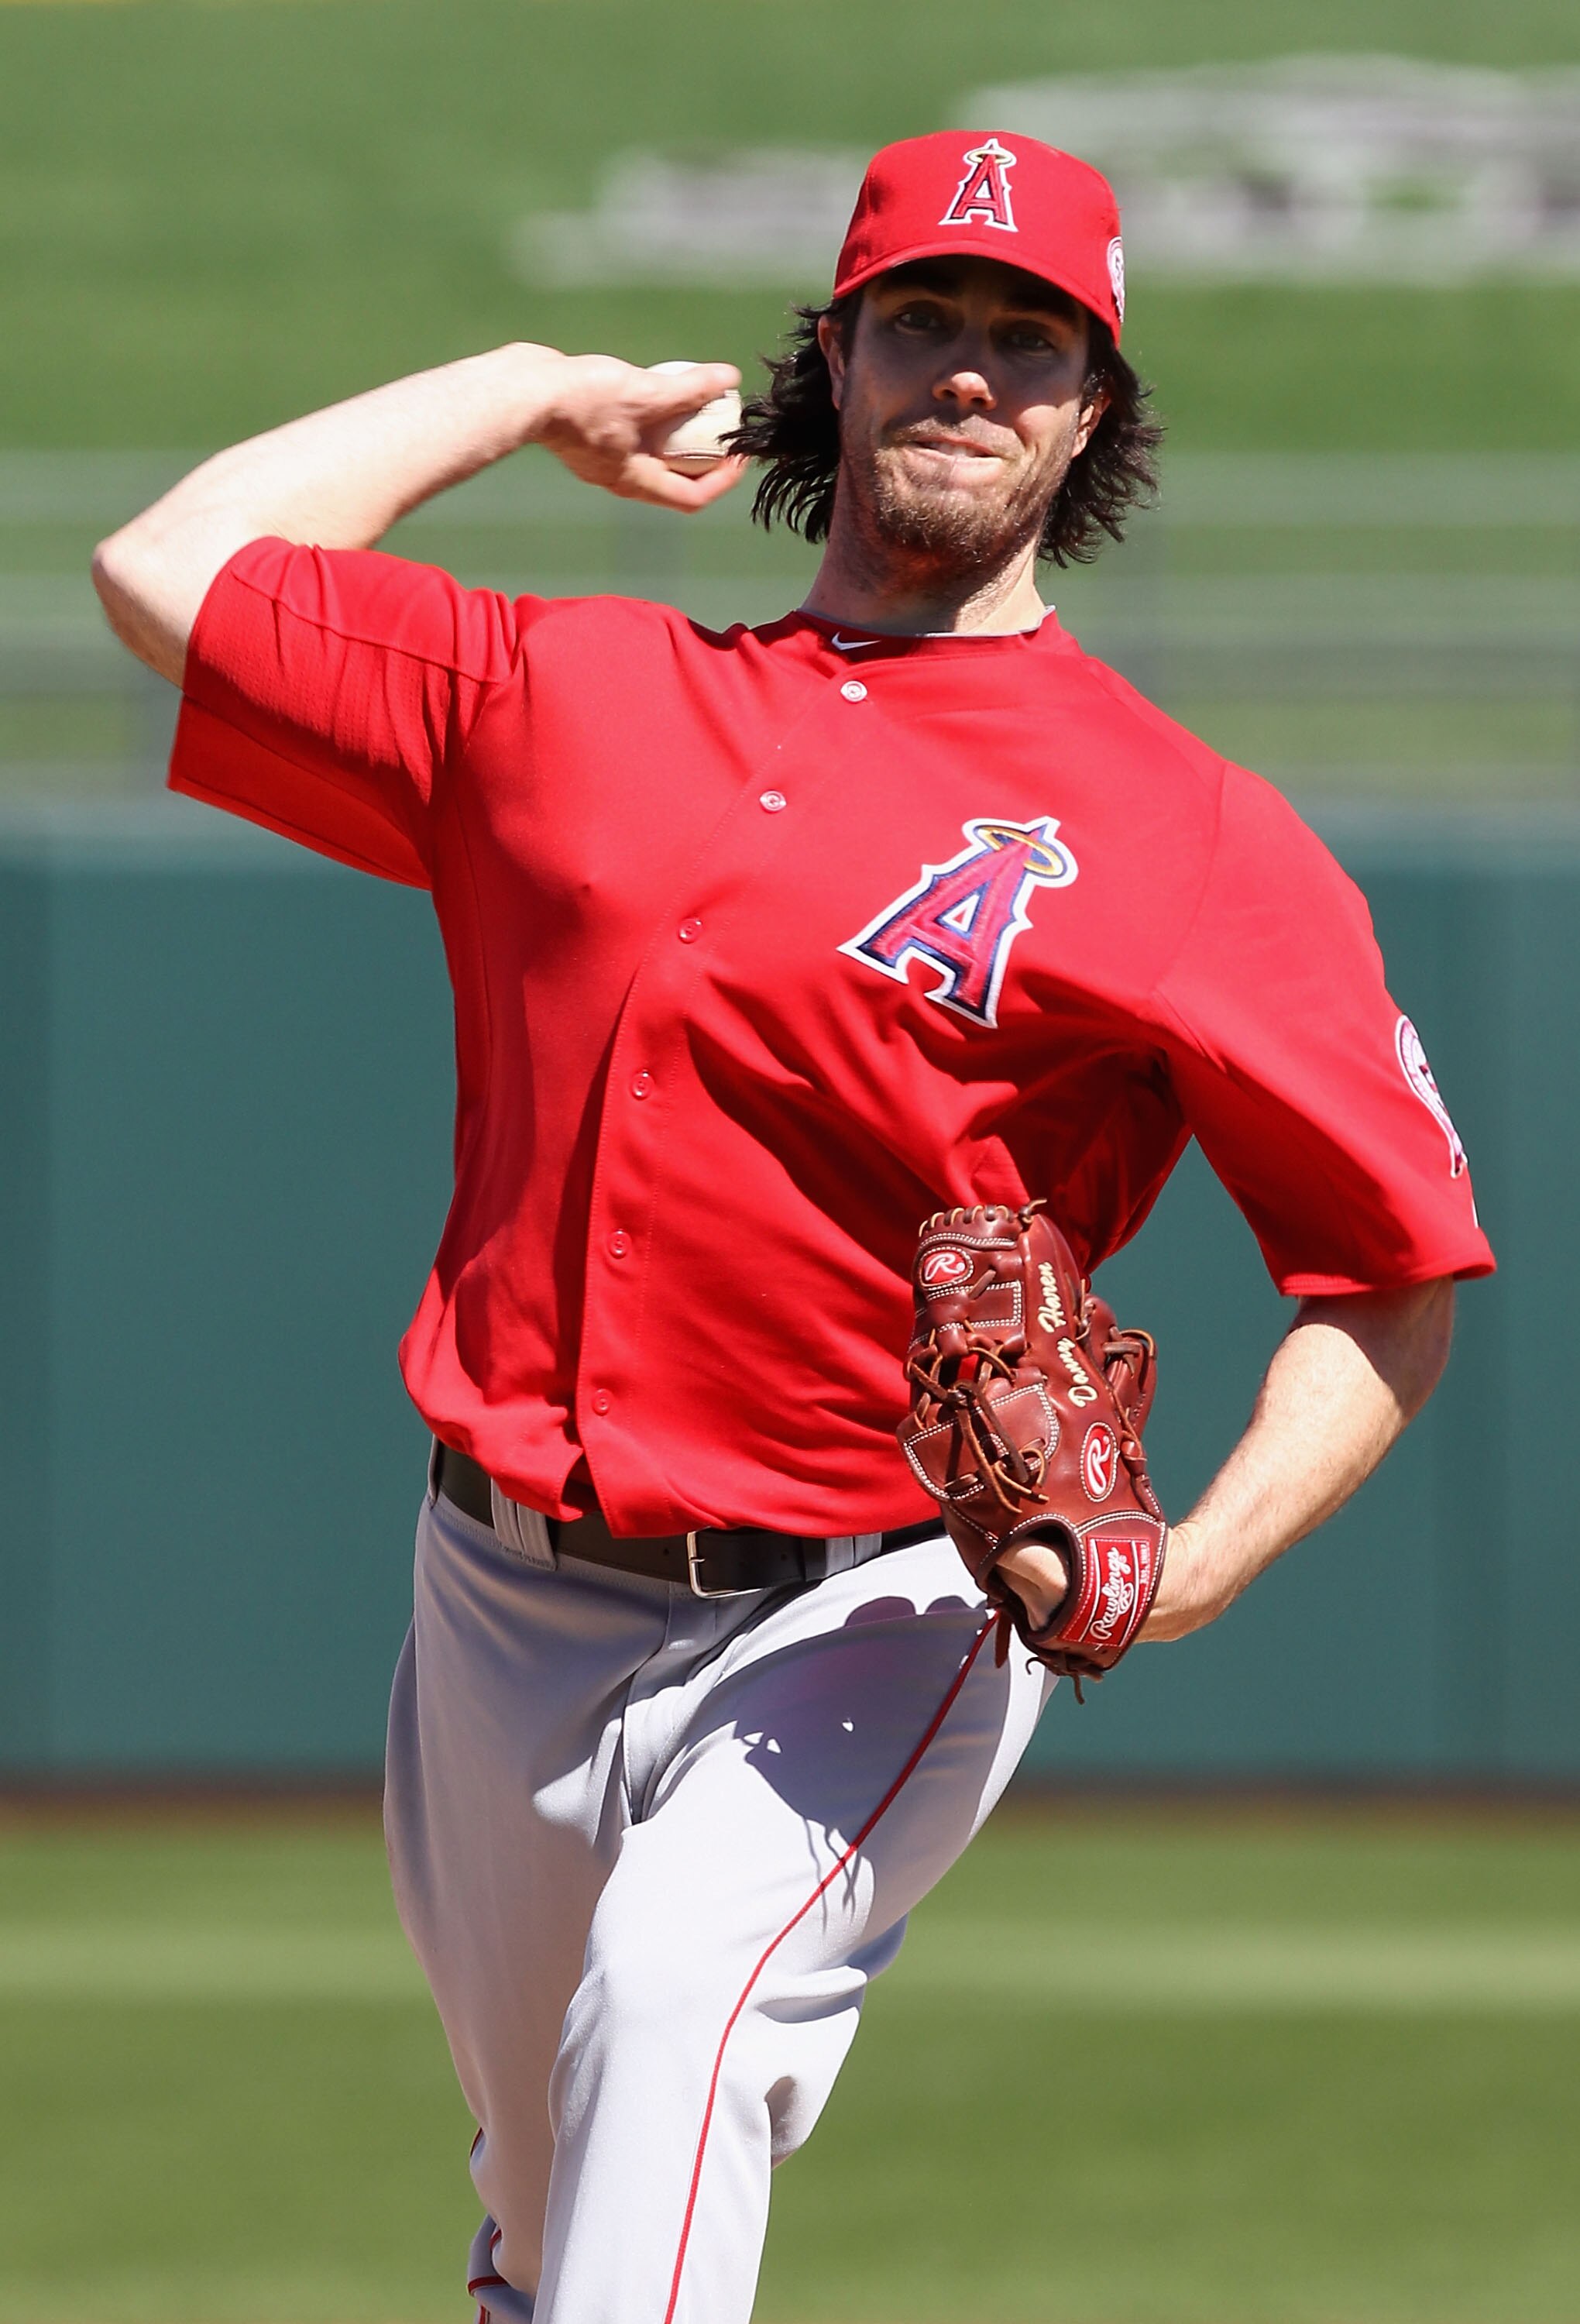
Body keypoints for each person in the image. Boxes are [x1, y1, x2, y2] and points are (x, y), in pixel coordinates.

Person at [93, 129, 1492, 2324]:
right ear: (827, 361)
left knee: (680, 2010)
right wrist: (534, 386)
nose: (968, 373)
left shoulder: (1192, 835)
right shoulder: (571, 694)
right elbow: (174, 565)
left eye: (1029, 341)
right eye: (920, 319)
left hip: (879, 1599)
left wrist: (1196, 1566)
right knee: (555, 2225)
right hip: (496, 1597)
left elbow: (1389, 1268)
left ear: (1094, 410)